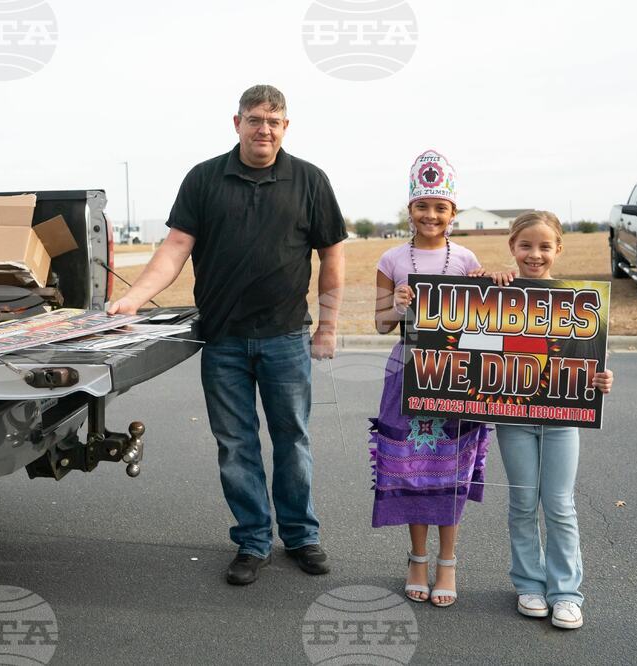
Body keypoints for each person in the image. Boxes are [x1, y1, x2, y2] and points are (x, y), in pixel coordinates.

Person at [108, 84, 347, 586]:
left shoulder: (310, 180)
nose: (264, 129)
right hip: (222, 340)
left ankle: (301, 535)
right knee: (236, 445)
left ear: (286, 127)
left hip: (286, 337)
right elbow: (175, 248)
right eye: (255, 119)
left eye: (274, 121)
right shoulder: (204, 179)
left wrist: (327, 325)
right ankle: (253, 540)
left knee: (293, 440)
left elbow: (332, 257)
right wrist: (133, 298)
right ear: (236, 122)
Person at [481, 210, 614, 629]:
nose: (534, 255)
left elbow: (591, 360)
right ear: (512, 248)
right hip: (513, 418)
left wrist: (603, 378)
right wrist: (487, 280)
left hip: (561, 418)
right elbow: (466, 330)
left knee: (558, 505)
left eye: (543, 246)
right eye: (525, 246)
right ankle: (528, 585)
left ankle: (566, 593)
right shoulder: (497, 293)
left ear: (558, 249)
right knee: (522, 503)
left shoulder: (578, 301)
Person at [370, 149, 490, 608]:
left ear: (453, 212)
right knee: (412, 468)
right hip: (407, 373)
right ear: (410, 210)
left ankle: (448, 562)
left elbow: (484, 324)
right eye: (423, 206)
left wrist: (487, 285)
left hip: (455, 376)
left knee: (450, 468)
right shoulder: (391, 259)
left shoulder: (465, 258)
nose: (431, 215)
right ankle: (416, 558)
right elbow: (379, 324)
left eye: (440, 207)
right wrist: (396, 306)